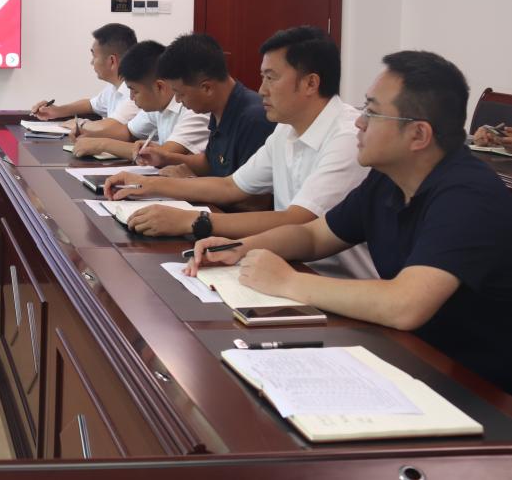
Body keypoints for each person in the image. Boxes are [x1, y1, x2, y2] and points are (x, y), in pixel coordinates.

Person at [189, 51, 512, 393]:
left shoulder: (468, 196)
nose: (359, 122)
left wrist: (287, 281)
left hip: (477, 388)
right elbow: (314, 236)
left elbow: (406, 305)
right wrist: (240, 248)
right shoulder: (387, 179)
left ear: (418, 135)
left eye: (372, 112)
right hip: (410, 357)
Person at [105, 26, 373, 278]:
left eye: (271, 78)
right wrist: (148, 185)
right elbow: (231, 186)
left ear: (310, 84)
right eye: (262, 77)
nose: (262, 90)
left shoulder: (347, 138)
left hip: (337, 283)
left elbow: (298, 220)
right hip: (286, 266)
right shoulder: (285, 129)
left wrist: (192, 221)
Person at [137, 33, 273, 179]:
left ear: (207, 88)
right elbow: (210, 163)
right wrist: (165, 158)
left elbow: (247, 192)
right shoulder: (218, 108)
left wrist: (190, 182)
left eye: (180, 93)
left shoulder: (253, 118)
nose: (177, 100)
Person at [70, 40, 209, 161]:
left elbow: (163, 154)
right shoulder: (157, 104)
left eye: (135, 91)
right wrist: (89, 135)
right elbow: (128, 132)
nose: (131, 97)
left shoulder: (194, 109)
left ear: (159, 87)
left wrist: (102, 144)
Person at [30, 23, 140, 139]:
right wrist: (57, 111)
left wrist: (80, 124)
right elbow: (90, 105)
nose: (92, 62)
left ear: (112, 61)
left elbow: (110, 127)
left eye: (94, 56)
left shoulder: (136, 92)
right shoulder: (114, 87)